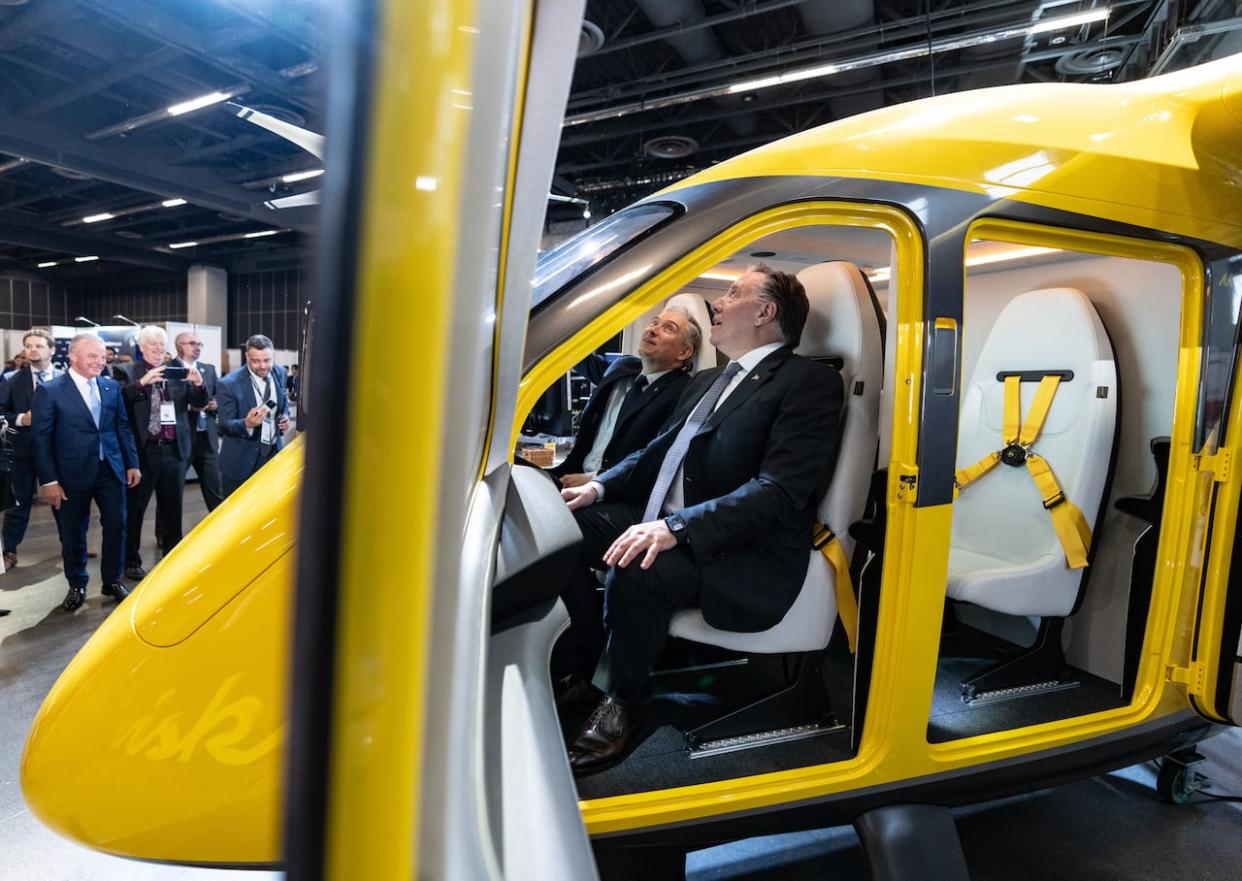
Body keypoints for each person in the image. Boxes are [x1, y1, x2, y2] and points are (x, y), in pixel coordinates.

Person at [557, 265, 843, 774]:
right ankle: (584, 663)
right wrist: (599, 487)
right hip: (675, 524)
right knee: (562, 531)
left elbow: (778, 492)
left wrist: (675, 528)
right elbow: (654, 452)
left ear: (764, 312)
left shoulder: (808, 384)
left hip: (736, 549)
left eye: (732, 293)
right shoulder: (712, 379)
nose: (717, 303)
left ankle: (624, 701)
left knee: (638, 565)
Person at [34, 333, 141, 611]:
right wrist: (49, 480)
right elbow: (41, 439)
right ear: (72, 356)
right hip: (70, 475)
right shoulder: (51, 390)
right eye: (92, 355)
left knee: (117, 525)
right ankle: (77, 583)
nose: (99, 361)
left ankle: (112, 580)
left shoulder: (110, 387)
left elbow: (122, 428)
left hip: (111, 470)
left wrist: (132, 463)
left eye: (103, 356)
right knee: (73, 532)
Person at [550, 305, 700, 490]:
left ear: (684, 352)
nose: (653, 330)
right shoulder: (622, 367)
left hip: (614, 490)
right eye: (654, 322)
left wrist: (596, 479)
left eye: (668, 328)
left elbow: (653, 458)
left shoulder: (684, 392)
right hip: (571, 473)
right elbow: (575, 356)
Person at [121, 326, 207, 581]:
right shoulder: (127, 372)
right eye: (153, 345)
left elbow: (199, 403)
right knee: (135, 509)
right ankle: (131, 561)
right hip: (143, 452)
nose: (159, 350)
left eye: (162, 345)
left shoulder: (177, 372)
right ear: (141, 346)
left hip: (174, 449)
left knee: (173, 508)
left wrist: (199, 384)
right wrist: (142, 383)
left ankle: (173, 555)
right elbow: (120, 401)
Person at [0, 330, 63, 569]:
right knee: (19, 503)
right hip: (22, 452)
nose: (33, 350)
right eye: (28, 346)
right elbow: (1, 413)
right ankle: (9, 551)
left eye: (38, 345)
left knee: (63, 502)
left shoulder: (64, 378)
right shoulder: (11, 379)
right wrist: (20, 419)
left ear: (52, 350)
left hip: (57, 451)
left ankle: (71, 545)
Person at [217, 334, 289, 498]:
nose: (263, 366)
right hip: (241, 462)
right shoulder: (228, 384)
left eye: (267, 360)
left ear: (274, 356)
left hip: (273, 456)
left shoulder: (280, 372)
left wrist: (284, 416)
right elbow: (224, 424)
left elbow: (282, 402)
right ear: (247, 357)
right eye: (256, 361)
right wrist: (247, 423)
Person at [174, 331, 223, 511]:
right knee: (172, 492)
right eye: (192, 343)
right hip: (182, 438)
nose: (197, 348)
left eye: (199, 344)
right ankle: (166, 536)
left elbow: (219, 396)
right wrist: (193, 405)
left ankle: (221, 530)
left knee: (215, 489)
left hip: (207, 437)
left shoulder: (208, 369)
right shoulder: (170, 370)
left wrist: (216, 404)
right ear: (180, 346)